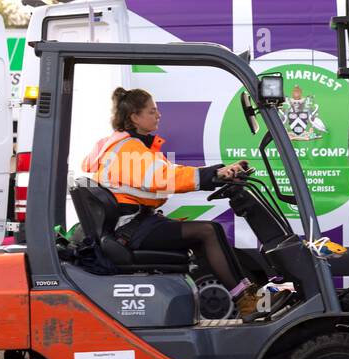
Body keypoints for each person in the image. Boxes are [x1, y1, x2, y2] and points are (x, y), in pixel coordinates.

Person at [82, 87, 263, 312]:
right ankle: (246, 301)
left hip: (137, 225)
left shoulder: (133, 146)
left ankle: (246, 297)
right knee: (209, 231)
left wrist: (216, 172)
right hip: (132, 230)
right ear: (134, 117)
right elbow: (164, 177)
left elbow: (170, 171)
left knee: (205, 234)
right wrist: (212, 175)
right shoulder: (128, 149)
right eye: (152, 111)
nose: (158, 115)